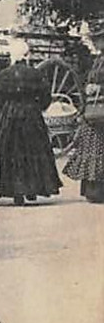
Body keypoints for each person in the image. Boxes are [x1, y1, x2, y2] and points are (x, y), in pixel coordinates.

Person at [0, 37, 61, 205]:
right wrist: (37, 107)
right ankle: (32, 188)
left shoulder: (3, 74)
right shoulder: (36, 73)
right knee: (33, 150)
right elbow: (46, 97)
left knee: (11, 151)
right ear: (26, 55)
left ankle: (16, 192)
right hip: (31, 113)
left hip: (9, 114)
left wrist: (0, 114)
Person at [64, 28, 104, 203]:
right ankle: (94, 190)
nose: (96, 43)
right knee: (91, 146)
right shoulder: (98, 60)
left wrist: (99, 88)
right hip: (93, 110)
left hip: (101, 108)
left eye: (98, 39)